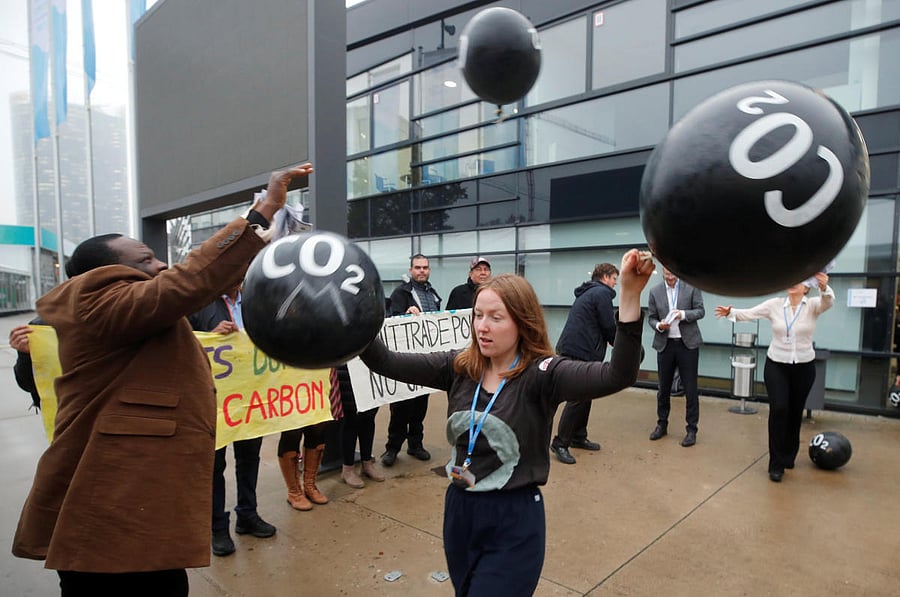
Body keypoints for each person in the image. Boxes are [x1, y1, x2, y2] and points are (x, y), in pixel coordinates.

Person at [11, 164, 313, 596]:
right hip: (111, 516)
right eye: (144, 260)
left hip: (136, 514)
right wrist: (263, 209)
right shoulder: (95, 301)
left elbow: (205, 283)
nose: (160, 265)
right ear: (103, 273)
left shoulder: (134, 308)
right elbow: (187, 281)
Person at [359, 250, 654, 595]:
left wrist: (631, 296)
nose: (482, 326)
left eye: (496, 317)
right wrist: (352, 317)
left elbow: (618, 374)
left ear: (522, 322)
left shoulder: (543, 375)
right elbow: (385, 361)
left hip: (513, 520)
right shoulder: (459, 367)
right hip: (460, 510)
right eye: (478, 315)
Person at [715, 272, 833, 482]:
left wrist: (824, 288)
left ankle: (789, 455)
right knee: (779, 409)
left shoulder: (813, 305)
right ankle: (775, 464)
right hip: (777, 364)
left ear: (806, 287)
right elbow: (750, 313)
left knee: (795, 412)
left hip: (803, 367)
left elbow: (828, 302)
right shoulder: (775, 305)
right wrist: (730, 313)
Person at [188, 285, 276, 557]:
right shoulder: (198, 302)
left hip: (250, 398)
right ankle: (217, 528)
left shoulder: (255, 301)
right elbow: (178, 344)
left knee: (249, 460)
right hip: (215, 402)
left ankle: (247, 515)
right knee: (215, 466)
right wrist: (207, 338)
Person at [550, 262, 619, 464]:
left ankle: (578, 436)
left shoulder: (588, 292)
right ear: (605, 277)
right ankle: (560, 443)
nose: (616, 283)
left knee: (586, 393)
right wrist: (624, 346)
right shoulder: (601, 293)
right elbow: (608, 325)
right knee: (577, 397)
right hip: (580, 351)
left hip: (576, 348)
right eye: (615, 278)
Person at [381, 253, 442, 466]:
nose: (422, 271)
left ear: (429, 270)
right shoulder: (401, 293)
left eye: (425, 267)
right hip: (405, 361)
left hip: (427, 361)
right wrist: (406, 314)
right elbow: (391, 320)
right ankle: (392, 448)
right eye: (418, 267)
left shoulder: (434, 295)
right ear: (411, 270)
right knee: (400, 407)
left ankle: (416, 444)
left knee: (420, 406)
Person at [647, 266, 705, 447]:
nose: (670, 277)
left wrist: (683, 314)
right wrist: (658, 326)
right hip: (666, 345)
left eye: (673, 273)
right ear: (663, 272)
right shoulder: (655, 291)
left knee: (690, 388)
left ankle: (691, 430)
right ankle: (661, 424)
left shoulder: (691, 287)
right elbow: (651, 317)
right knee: (663, 388)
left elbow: (700, 311)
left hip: (687, 344)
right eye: (667, 273)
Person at [337, 363, 385, 488]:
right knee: (351, 421)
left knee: (369, 418)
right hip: (347, 373)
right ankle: (347, 469)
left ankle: (367, 463)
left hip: (368, 372)